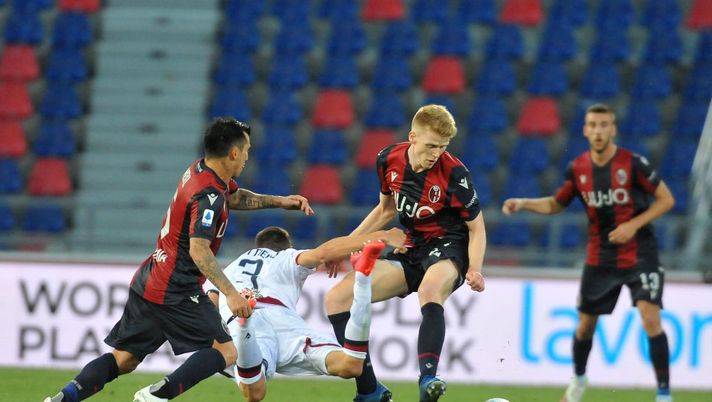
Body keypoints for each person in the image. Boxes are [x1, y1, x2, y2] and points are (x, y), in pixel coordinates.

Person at [44, 117, 314, 402]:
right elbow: (199, 250)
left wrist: (281, 201)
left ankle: (64, 398)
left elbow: (235, 198)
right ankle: (156, 397)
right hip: (177, 288)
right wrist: (231, 294)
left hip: (151, 276)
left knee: (124, 359)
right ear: (233, 152)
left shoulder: (200, 171)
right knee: (227, 351)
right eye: (246, 150)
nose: (248, 157)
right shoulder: (209, 195)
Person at [501, 103, 675, 402]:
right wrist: (524, 202)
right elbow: (557, 204)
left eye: (603, 125)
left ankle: (663, 394)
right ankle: (579, 380)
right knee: (585, 326)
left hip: (639, 253)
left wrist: (633, 225)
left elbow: (666, 199)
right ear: (584, 130)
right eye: (592, 125)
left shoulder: (633, 164)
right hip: (601, 256)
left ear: (613, 129)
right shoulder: (578, 168)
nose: (597, 131)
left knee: (650, 317)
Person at [324, 104, 487, 402]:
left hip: (449, 245)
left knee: (430, 289)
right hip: (411, 246)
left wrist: (475, 268)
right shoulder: (388, 159)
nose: (436, 153)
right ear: (413, 137)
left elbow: (477, 227)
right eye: (430, 145)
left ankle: (428, 380)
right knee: (336, 298)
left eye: (442, 146)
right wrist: (345, 245)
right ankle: (370, 389)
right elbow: (385, 210)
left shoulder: (455, 174)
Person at [206, 226, 406, 402]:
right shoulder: (286, 256)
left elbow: (210, 303)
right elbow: (323, 253)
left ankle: (244, 327)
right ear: (288, 246)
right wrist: (382, 235)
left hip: (246, 314)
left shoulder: (232, 267)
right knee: (351, 365)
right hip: (284, 322)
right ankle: (363, 279)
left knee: (254, 393)